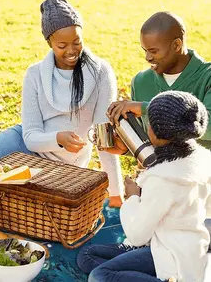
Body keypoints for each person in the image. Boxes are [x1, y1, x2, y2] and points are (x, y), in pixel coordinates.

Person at [0, 0, 123, 206]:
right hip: (23, 145)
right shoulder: (36, 74)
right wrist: (57, 138)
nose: (71, 50)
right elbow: (30, 137)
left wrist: (116, 193)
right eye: (62, 45)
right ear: (49, 42)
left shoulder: (101, 73)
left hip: (60, 168)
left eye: (77, 41)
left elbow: (104, 139)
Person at [77, 90, 211, 282]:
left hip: (170, 257)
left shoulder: (162, 179)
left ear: (154, 132)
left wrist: (133, 198)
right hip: (187, 248)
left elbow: (137, 234)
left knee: (99, 275)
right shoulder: (203, 159)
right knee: (87, 256)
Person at [105, 11, 211, 155]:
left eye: (154, 51)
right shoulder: (142, 81)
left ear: (177, 45)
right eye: (145, 50)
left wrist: (147, 109)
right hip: (160, 173)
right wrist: (127, 149)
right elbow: (148, 143)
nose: (147, 57)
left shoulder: (207, 77)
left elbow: (207, 126)